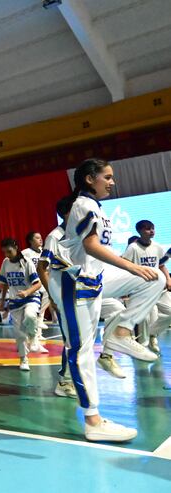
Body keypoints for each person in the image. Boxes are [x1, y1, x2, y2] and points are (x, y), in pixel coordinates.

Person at [52, 158, 164, 442]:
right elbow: (90, 246)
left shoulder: (97, 208)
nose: (113, 182)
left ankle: (120, 333)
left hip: (96, 277)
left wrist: (131, 271)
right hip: (75, 284)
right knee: (80, 350)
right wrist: (130, 266)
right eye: (108, 177)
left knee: (156, 279)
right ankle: (93, 420)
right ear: (90, 179)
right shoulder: (83, 205)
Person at [38, 194, 77, 398]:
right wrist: (53, 295)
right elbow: (41, 267)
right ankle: (65, 381)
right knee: (72, 338)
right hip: (64, 294)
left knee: (117, 309)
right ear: (67, 213)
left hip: (83, 293)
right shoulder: (55, 236)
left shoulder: (81, 233)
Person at [121, 220, 171, 354]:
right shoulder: (133, 248)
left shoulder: (157, 247)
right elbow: (125, 266)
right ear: (140, 231)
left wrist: (168, 278)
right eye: (148, 229)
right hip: (141, 290)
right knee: (144, 319)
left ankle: (153, 333)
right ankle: (143, 349)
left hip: (159, 288)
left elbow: (161, 265)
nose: (152, 231)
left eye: (153, 228)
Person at [0, 238, 42, 371]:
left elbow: (38, 284)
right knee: (20, 334)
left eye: (9, 251)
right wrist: (2, 301)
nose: (7, 255)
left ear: (16, 248)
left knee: (30, 315)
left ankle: (33, 336)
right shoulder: (5, 262)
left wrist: (27, 292)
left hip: (31, 297)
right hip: (15, 302)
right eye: (4, 252)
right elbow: (5, 284)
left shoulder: (27, 262)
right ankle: (23, 359)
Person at [22, 231, 56, 351]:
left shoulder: (44, 252)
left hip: (44, 283)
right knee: (34, 313)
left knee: (41, 311)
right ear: (30, 241)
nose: (40, 240)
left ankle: (37, 335)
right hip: (32, 284)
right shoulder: (25, 253)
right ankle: (31, 339)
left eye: (41, 237)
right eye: (37, 238)